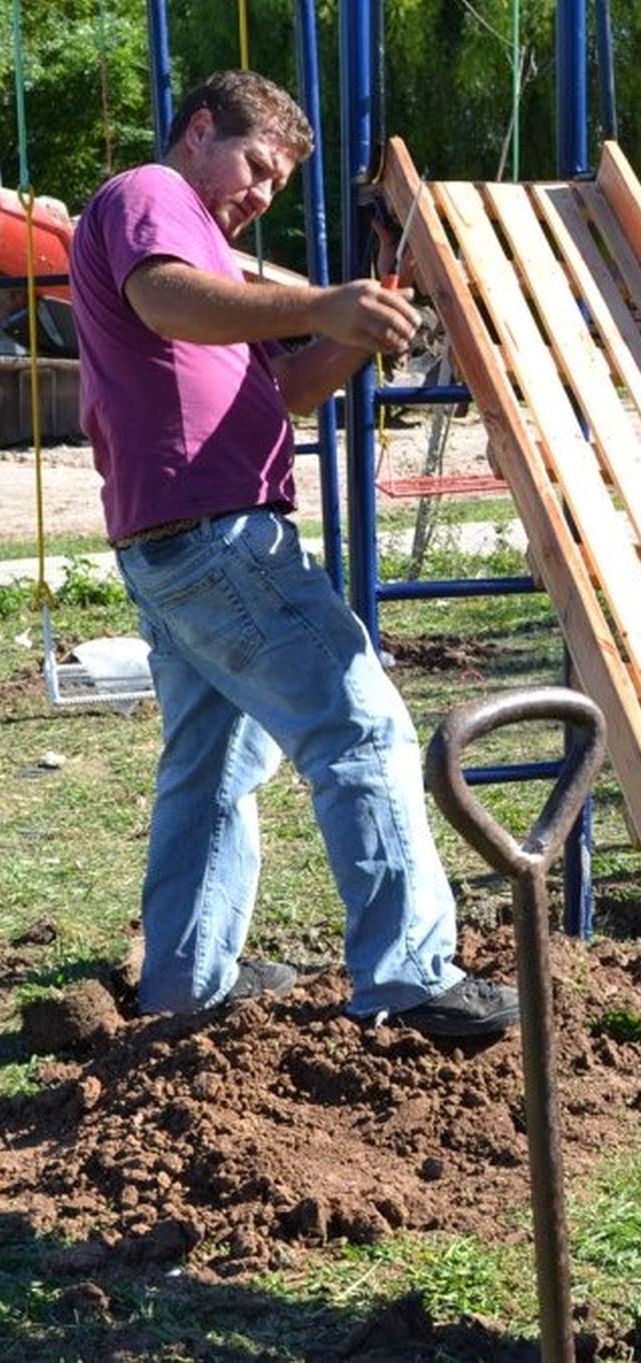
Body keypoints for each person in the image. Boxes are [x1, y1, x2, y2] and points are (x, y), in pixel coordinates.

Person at [68, 70, 519, 1036]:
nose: (264, 194)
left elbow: (291, 391)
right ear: (199, 130)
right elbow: (163, 302)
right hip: (215, 529)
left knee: (213, 765)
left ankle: (186, 982)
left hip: (175, 538)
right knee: (360, 726)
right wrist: (321, 302)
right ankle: (410, 976)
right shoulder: (152, 195)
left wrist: (366, 319)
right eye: (257, 165)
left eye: (279, 182)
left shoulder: (216, 265)